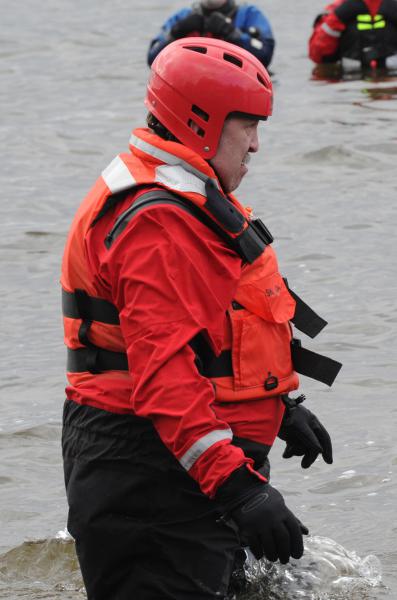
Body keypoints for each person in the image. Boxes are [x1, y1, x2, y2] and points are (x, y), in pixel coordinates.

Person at [61, 37, 342, 600]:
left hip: (181, 469)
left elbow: (209, 333)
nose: (257, 146)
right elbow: (164, 379)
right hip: (151, 475)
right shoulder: (160, 223)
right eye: (249, 127)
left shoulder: (181, 192)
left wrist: (279, 407)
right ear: (202, 123)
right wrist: (240, 489)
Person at [147, 0, 275, 67]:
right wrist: (176, 33)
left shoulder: (248, 14)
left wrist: (231, 33)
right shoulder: (184, 16)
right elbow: (152, 58)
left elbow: (265, 55)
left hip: (234, 84)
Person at [309, 0, 397, 69]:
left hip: (391, 81)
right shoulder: (336, 9)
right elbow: (317, 55)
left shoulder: (393, 6)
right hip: (350, 82)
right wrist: (338, 17)